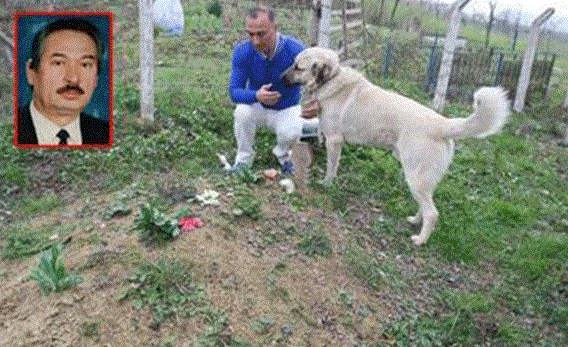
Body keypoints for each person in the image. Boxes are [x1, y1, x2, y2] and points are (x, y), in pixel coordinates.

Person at [228, 6, 308, 174]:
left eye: (261, 34)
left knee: (292, 130)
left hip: (286, 107)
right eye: (250, 34)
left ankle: (285, 156)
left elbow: (315, 81)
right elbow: (234, 92)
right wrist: (256, 95)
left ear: (275, 28)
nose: (255, 40)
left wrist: (316, 102)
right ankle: (243, 159)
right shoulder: (243, 51)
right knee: (241, 111)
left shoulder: (296, 50)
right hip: (258, 106)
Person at [16, 17, 110, 146]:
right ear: (31, 72)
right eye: (58, 63)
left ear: (96, 79)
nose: (73, 78)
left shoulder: (107, 134)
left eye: (85, 65)